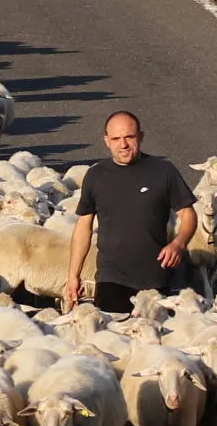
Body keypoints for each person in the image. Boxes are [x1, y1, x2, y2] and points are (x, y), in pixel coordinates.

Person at [62, 110, 197, 314]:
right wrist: (73, 276)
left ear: (141, 137)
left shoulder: (163, 170)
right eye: (116, 139)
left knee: (152, 340)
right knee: (113, 341)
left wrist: (179, 243)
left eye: (129, 137)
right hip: (111, 277)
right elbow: (83, 226)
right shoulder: (96, 176)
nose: (123, 144)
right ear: (107, 141)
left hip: (155, 277)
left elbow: (188, 214)